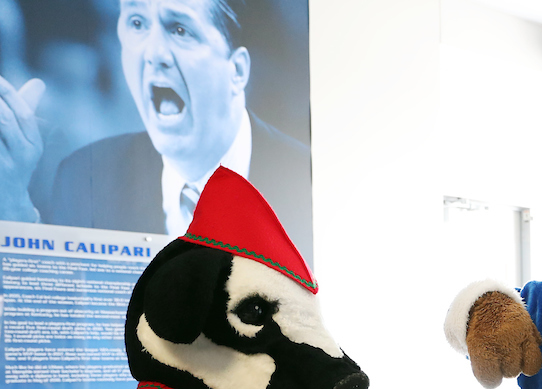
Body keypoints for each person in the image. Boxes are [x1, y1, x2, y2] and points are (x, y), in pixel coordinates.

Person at [0, 0, 313, 261]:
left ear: (237, 70)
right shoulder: (84, 176)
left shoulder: (310, 180)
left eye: (180, 29)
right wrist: (15, 206)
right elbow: (64, 308)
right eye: (137, 25)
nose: (153, 54)